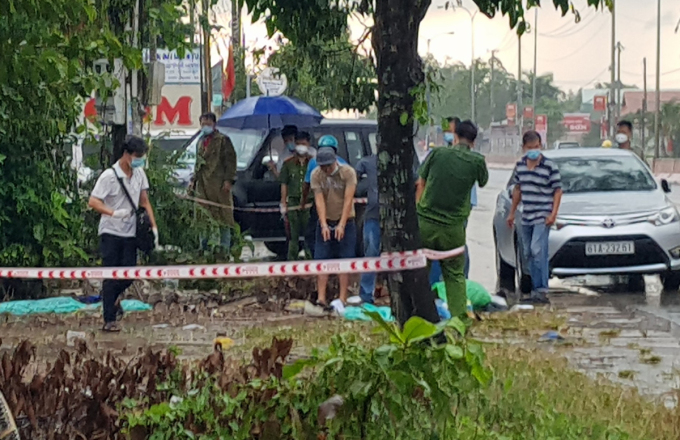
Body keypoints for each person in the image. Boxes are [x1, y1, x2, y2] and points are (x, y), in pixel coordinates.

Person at [416, 120, 488, 319]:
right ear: (474, 141)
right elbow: (483, 181)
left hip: (426, 223)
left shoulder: (437, 154)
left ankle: (419, 317)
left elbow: (421, 180)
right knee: (455, 275)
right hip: (453, 228)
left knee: (420, 272)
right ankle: (459, 321)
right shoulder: (477, 161)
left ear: (455, 136)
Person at [88, 136, 158, 332]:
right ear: (126, 154)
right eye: (137, 156)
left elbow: (144, 201)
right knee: (111, 275)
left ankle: (111, 298)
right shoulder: (109, 176)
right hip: (110, 231)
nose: (139, 160)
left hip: (130, 232)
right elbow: (93, 201)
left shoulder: (140, 174)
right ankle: (109, 319)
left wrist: (153, 227)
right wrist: (112, 212)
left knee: (128, 274)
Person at [506, 130, 563, 304]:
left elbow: (557, 191)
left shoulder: (549, 166)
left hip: (543, 215)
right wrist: (512, 213)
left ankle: (541, 289)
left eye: (537, 147)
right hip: (526, 215)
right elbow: (518, 189)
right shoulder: (520, 166)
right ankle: (534, 289)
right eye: (530, 147)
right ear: (524, 148)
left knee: (537, 250)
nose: (534, 150)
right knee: (527, 253)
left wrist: (553, 214)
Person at [310, 146, 357, 307]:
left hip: (346, 221)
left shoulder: (348, 173)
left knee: (345, 259)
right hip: (326, 220)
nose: (326, 170)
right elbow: (319, 201)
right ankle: (321, 298)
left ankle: (342, 298)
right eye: (323, 167)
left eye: (328, 166)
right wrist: (323, 224)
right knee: (322, 259)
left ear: (334, 162)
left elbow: (348, 200)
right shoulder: (316, 175)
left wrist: (341, 224)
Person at [190, 112, 237, 253]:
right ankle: (203, 248)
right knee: (202, 217)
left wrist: (228, 181)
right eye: (203, 124)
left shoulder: (223, 140)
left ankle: (224, 249)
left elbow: (231, 162)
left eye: (208, 123)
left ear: (214, 124)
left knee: (224, 217)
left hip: (219, 184)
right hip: (202, 185)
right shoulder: (200, 141)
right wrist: (193, 181)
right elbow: (198, 163)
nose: (205, 126)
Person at [301, 135, 348, 258]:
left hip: (321, 207)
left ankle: (318, 259)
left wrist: (303, 202)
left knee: (312, 235)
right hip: (340, 208)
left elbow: (306, 186)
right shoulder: (344, 164)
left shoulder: (313, 163)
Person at [279, 131, 313, 260]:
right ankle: (291, 261)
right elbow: (284, 184)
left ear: (308, 144)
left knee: (309, 234)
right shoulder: (288, 164)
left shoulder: (313, 163)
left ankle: (311, 260)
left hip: (309, 203)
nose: (301, 147)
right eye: (298, 144)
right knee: (293, 235)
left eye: (303, 144)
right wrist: (283, 203)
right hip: (293, 203)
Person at [355, 154, 379, 304]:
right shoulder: (366, 162)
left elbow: (417, 182)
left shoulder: (400, 162)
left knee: (398, 256)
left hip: (396, 217)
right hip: (373, 215)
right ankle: (366, 294)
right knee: (371, 252)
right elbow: (353, 181)